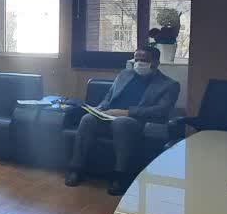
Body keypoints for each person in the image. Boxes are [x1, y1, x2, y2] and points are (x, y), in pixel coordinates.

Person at [65, 46, 180, 196]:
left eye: (144, 60)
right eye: (136, 59)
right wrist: (99, 108)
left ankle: (120, 175)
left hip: (138, 122)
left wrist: (126, 112)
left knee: (121, 122)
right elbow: (108, 97)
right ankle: (76, 168)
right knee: (88, 119)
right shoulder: (124, 75)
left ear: (156, 63)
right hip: (109, 116)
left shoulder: (169, 84)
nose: (139, 63)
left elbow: (161, 111)